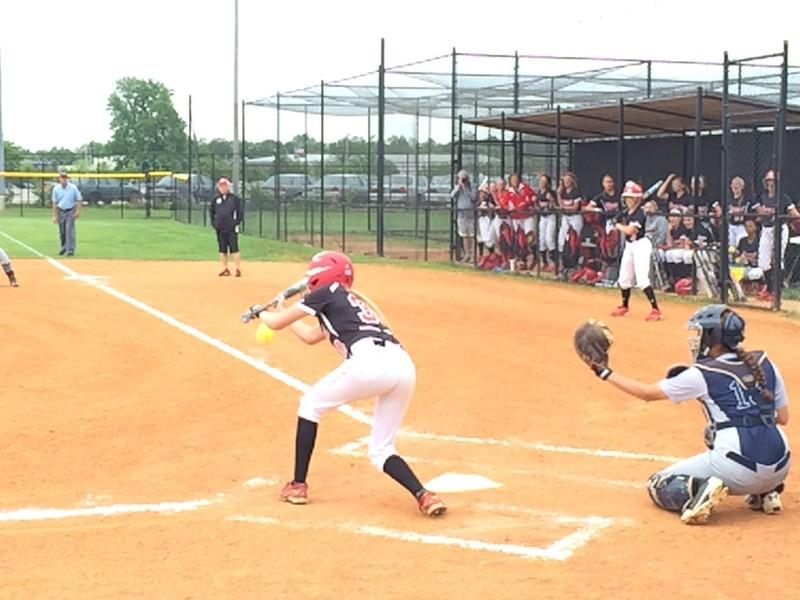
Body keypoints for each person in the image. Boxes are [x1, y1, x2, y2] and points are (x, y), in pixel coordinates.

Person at [247, 251, 447, 516]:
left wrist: (260, 313)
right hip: (402, 365)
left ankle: (298, 485)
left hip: (369, 362)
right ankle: (424, 495)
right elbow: (308, 335)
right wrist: (280, 311)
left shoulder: (326, 291)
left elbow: (274, 323)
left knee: (309, 404)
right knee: (381, 450)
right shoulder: (343, 302)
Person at [583, 305, 790, 524]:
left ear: (714, 337)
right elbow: (783, 418)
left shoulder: (702, 373)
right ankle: (766, 492)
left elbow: (646, 393)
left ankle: (702, 488)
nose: (696, 338)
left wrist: (603, 372)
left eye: (700, 333)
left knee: (659, 483)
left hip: (737, 468)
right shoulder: (765, 362)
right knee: (723, 431)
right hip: (780, 466)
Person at [611, 181, 661, 321]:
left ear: (636, 198)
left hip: (641, 245)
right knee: (623, 279)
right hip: (630, 245)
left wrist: (618, 225)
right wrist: (617, 220)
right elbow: (617, 218)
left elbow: (630, 230)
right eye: (626, 197)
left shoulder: (640, 214)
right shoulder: (627, 212)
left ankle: (655, 309)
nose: (627, 200)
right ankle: (624, 306)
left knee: (642, 280)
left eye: (630, 197)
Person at [751, 169, 800, 300]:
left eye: (772, 181)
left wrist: (789, 214)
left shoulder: (783, 197)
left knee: (778, 259)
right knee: (764, 261)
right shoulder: (762, 196)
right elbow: (758, 209)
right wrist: (765, 211)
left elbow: (794, 213)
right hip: (766, 229)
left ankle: (776, 291)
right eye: (768, 181)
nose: (770, 184)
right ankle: (769, 288)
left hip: (780, 229)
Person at [210, 177, 243, 277]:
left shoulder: (234, 199)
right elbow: (211, 212)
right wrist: (214, 224)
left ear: (228, 187)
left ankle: (238, 268)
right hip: (220, 228)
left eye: (225, 186)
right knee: (222, 249)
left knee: (234, 248)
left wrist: (236, 222)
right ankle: (225, 268)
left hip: (231, 228)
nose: (223, 188)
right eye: (221, 186)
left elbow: (240, 212)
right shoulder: (216, 199)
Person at [713, 176, 750, 248]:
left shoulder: (746, 198)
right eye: (733, 184)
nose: (735, 186)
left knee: (742, 241)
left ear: (742, 187)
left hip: (742, 225)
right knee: (730, 246)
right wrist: (719, 209)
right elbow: (715, 204)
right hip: (731, 225)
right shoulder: (728, 198)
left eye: (738, 184)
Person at [507, 173, 535, 269]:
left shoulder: (525, 187)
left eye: (516, 178)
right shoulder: (508, 191)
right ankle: (522, 260)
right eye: (512, 179)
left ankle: (532, 256)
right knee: (519, 239)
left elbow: (532, 197)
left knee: (529, 237)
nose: (514, 180)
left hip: (527, 216)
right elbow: (508, 205)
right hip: (516, 218)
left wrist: (527, 203)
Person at [51, 171, 82, 256]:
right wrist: (54, 215)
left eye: (65, 178)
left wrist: (77, 211)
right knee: (62, 231)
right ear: (59, 179)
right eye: (62, 178)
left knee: (69, 230)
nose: (64, 180)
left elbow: (79, 199)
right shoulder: (56, 188)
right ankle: (63, 247)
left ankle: (70, 249)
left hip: (70, 210)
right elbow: (54, 202)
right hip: (61, 210)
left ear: (67, 179)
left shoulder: (73, 188)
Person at [451, 169, 477, 263]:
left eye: (464, 178)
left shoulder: (472, 186)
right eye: (461, 178)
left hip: (471, 215)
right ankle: (467, 255)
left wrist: (465, 188)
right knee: (464, 236)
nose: (463, 180)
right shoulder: (457, 187)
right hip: (461, 215)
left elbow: (473, 197)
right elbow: (452, 195)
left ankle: (474, 255)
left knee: (472, 236)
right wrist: (459, 186)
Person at [557, 172, 583, 256]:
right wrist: (558, 193)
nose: (567, 182)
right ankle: (562, 257)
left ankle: (575, 257)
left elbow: (575, 207)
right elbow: (560, 205)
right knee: (562, 236)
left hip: (575, 217)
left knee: (575, 237)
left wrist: (564, 208)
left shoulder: (576, 191)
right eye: (565, 180)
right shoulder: (563, 191)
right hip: (566, 216)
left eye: (568, 180)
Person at [535, 174, 557, 272]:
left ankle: (553, 262)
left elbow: (555, 205)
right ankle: (544, 262)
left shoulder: (550, 192)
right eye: (541, 181)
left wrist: (551, 200)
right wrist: (537, 207)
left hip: (550, 217)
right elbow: (536, 204)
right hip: (543, 217)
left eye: (544, 181)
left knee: (549, 239)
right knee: (541, 239)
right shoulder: (539, 192)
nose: (542, 183)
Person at [735, 218, 764, 285]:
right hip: (743, 265)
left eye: (750, 226)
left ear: (755, 227)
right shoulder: (742, 240)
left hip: (756, 266)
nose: (747, 228)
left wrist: (748, 256)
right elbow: (739, 253)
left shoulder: (760, 241)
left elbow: (758, 255)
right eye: (746, 226)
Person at [476, 180, 497, 257]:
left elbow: (494, 208)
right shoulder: (478, 201)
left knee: (488, 240)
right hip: (481, 219)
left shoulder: (490, 200)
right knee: (480, 238)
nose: (482, 195)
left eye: (484, 193)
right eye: (480, 193)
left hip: (488, 220)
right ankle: (481, 255)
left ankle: (492, 254)